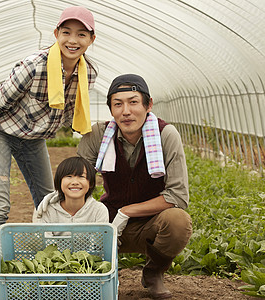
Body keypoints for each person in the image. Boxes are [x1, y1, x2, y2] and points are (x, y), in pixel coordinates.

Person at [38, 74, 192, 299]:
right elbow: (79, 180)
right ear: (111, 109)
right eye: (118, 104)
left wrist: (127, 212)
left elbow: (178, 196)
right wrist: (56, 196)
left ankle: (153, 272)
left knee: (178, 221)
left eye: (133, 102)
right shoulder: (98, 135)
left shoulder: (165, 134)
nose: (126, 111)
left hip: (151, 221)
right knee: (79, 225)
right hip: (106, 219)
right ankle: (96, 271)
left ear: (148, 105)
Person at [0, 6, 99, 259]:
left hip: (34, 139)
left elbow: (75, 115)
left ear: (91, 39)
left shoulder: (88, 74)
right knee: (0, 202)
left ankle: (59, 257)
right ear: (56, 34)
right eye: (67, 32)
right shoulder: (33, 67)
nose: (73, 40)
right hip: (2, 134)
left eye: (82, 34)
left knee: (49, 198)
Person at [32, 156, 109, 225]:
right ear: (59, 181)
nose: (75, 182)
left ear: (91, 183)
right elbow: (45, 239)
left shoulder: (99, 210)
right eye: (69, 176)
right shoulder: (47, 210)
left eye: (81, 176)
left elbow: (99, 240)